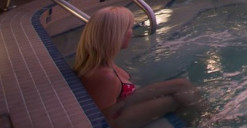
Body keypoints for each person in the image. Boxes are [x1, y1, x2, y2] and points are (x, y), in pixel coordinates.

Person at [74, 7, 203, 128]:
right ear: (114, 35)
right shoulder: (104, 76)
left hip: (126, 102)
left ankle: (211, 117)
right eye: (128, 28)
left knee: (182, 85)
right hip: (119, 117)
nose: (131, 32)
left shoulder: (105, 62)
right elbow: (106, 121)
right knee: (178, 100)